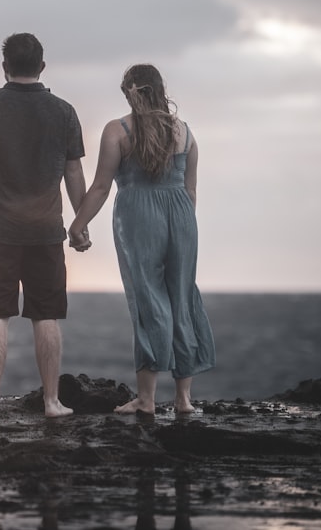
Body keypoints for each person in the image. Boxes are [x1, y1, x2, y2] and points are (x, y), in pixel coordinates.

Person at [68, 64, 215, 414]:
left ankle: (147, 400)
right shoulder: (186, 133)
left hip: (138, 215)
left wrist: (78, 224)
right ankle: (183, 399)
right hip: (182, 217)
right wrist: (180, 226)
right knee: (182, 296)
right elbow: (190, 190)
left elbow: (101, 187)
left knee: (146, 298)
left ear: (129, 92)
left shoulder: (118, 130)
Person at [0, 32, 86, 420]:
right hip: (47, 230)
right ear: (42, 67)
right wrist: (81, 222)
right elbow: (74, 171)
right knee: (46, 314)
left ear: (5, 67)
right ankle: (52, 402)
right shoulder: (64, 111)